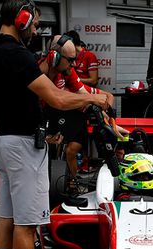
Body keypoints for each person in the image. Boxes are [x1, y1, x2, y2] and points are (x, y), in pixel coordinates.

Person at [0, 0, 108, 249]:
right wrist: (95, 98)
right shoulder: (19, 55)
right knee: (26, 224)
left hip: (2, 143)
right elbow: (58, 99)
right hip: (24, 146)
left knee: (7, 217)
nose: (36, 30)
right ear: (21, 19)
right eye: (35, 24)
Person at [38, 34, 115, 184]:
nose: (74, 65)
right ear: (54, 57)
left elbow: (84, 95)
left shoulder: (67, 71)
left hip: (58, 117)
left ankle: (73, 184)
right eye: (71, 60)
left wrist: (107, 119)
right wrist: (92, 99)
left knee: (69, 151)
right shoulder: (36, 74)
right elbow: (58, 100)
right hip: (33, 123)